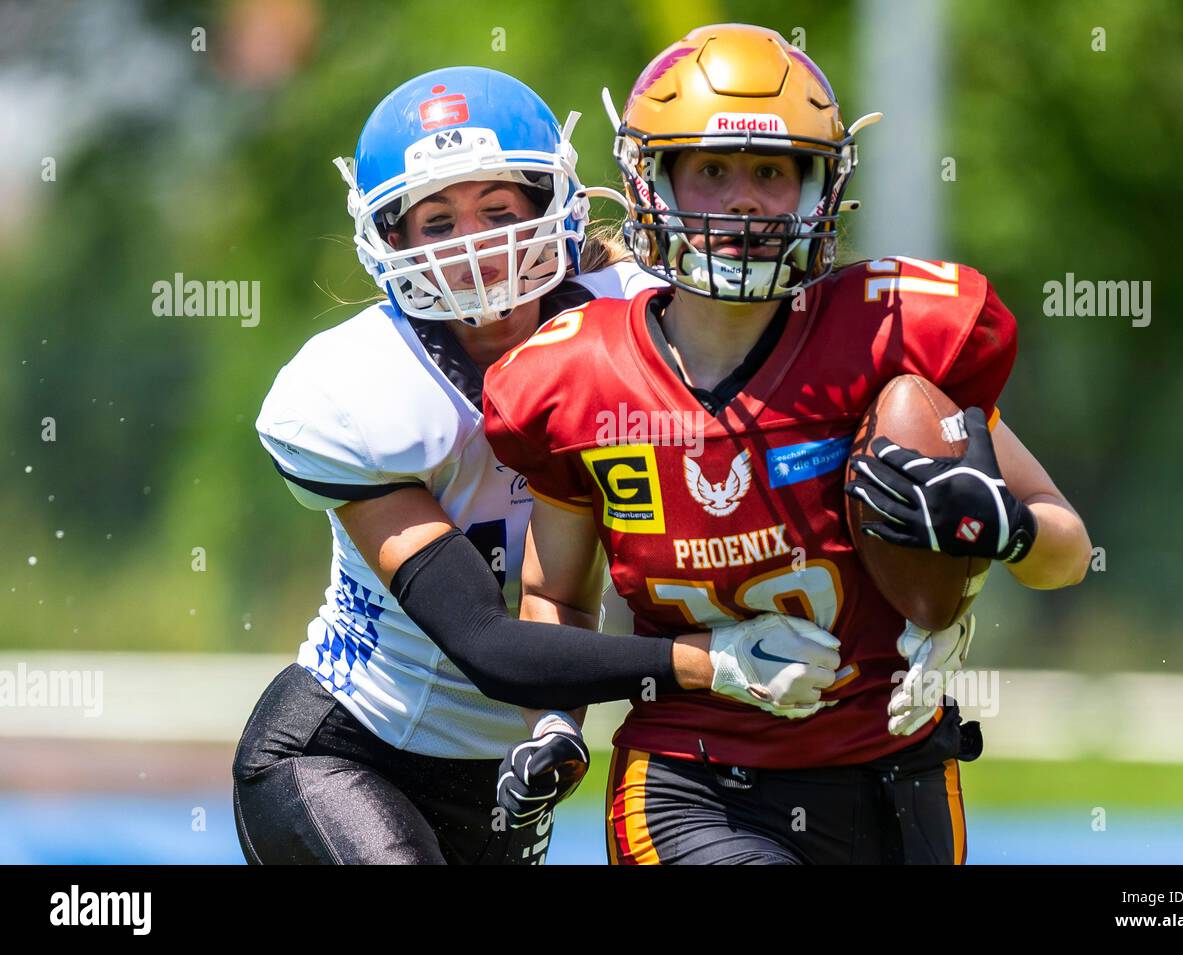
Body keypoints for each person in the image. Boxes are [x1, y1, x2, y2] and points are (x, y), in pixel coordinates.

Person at [482, 24, 1092, 865]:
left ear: (817, 188)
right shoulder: (577, 376)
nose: (742, 200)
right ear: (652, 181)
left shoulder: (887, 337)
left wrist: (999, 530)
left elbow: (1065, 545)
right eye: (714, 168)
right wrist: (554, 722)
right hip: (693, 782)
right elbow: (558, 601)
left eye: (771, 172)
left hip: (895, 774)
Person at [233, 65, 841, 866]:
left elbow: (820, 358)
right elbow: (488, 641)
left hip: (508, 780)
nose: (476, 245)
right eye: (437, 222)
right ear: (389, 238)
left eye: (497, 210)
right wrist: (711, 662)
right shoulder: (355, 390)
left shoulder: (634, 314)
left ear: (555, 204)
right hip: (351, 747)